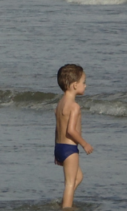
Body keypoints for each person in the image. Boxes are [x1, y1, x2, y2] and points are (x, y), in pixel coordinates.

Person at [54, 64, 93, 209]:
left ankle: (64, 202)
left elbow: (58, 129)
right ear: (75, 85)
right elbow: (71, 131)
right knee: (70, 183)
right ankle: (66, 207)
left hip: (60, 147)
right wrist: (84, 144)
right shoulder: (74, 106)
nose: (85, 85)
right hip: (70, 149)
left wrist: (56, 152)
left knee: (78, 177)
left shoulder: (59, 104)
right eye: (83, 82)